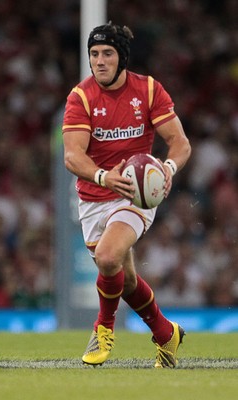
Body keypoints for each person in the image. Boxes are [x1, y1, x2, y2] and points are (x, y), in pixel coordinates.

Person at [62, 21, 191, 368]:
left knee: (106, 258)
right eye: (94, 54)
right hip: (93, 197)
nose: (99, 60)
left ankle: (103, 328)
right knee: (126, 279)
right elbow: (73, 155)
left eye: (107, 53)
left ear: (122, 58)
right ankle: (166, 334)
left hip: (135, 195)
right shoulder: (81, 97)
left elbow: (180, 143)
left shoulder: (148, 91)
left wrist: (168, 168)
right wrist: (104, 176)